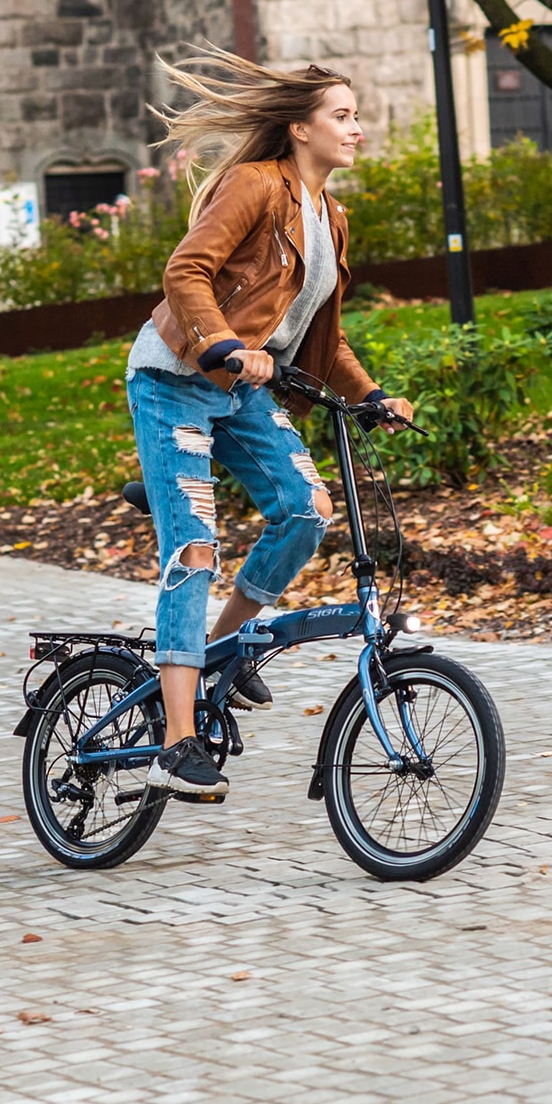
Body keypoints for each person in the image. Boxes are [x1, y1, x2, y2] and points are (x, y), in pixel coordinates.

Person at [125, 49, 414, 799]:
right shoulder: (256, 184)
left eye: (355, 115)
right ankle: (176, 742)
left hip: (245, 390)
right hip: (176, 377)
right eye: (342, 116)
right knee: (193, 548)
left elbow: (324, 337)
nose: (357, 128)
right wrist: (222, 343)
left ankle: (222, 648)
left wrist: (373, 393)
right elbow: (186, 272)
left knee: (307, 510)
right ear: (298, 129)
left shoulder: (332, 219)